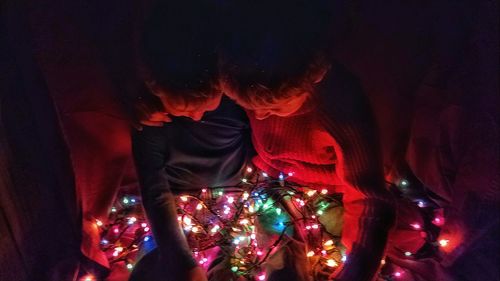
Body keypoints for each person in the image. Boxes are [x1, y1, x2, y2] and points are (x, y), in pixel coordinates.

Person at [219, 1, 396, 280]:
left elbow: (368, 199)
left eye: (275, 108)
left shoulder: (342, 107)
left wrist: (359, 269)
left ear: (314, 78)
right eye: (251, 109)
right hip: (275, 186)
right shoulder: (248, 74)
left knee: (356, 256)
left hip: (336, 196)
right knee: (273, 261)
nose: (261, 117)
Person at [127, 1, 252, 281]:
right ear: (153, 86)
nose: (196, 118)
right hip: (174, 207)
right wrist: (181, 260)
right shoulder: (151, 119)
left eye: (205, 107)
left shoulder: (238, 100)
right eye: (183, 109)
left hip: (237, 202)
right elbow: (154, 189)